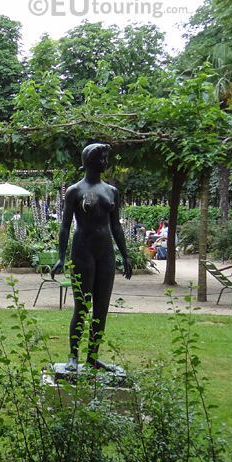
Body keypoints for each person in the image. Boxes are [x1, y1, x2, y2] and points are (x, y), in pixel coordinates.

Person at [51, 143, 132, 372]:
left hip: (105, 253)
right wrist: (60, 256)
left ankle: (93, 356)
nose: (105, 163)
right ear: (89, 161)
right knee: (82, 306)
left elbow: (116, 226)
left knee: (101, 308)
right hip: (82, 252)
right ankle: (73, 356)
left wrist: (125, 255)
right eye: (102, 159)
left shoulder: (111, 191)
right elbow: (65, 226)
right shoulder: (74, 191)